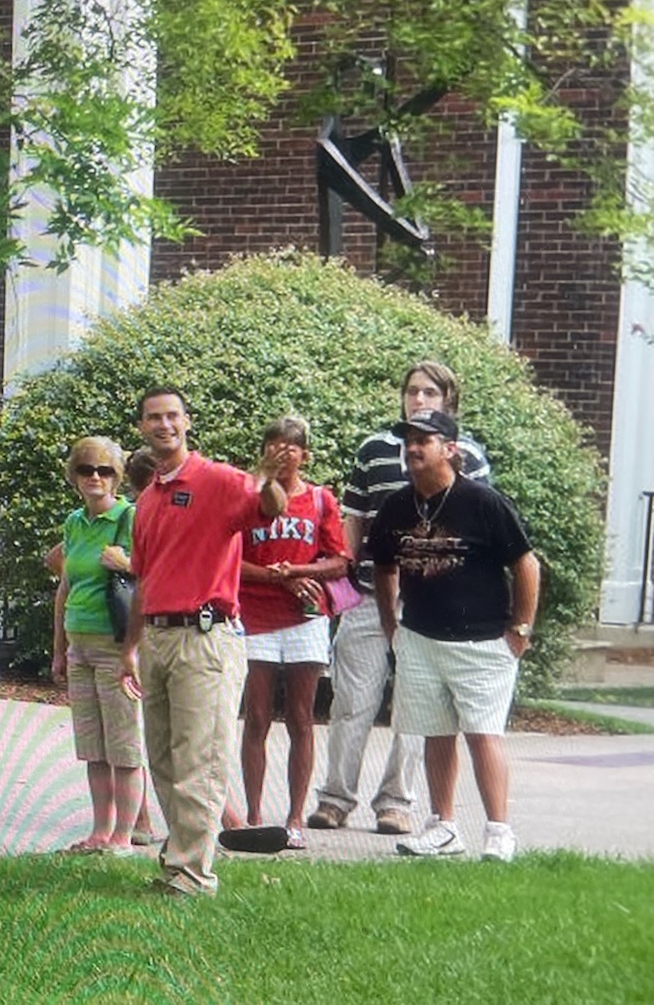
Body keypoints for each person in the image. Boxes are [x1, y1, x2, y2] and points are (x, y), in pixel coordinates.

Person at [308, 360, 492, 836]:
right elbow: (354, 518)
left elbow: (477, 524)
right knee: (353, 700)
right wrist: (342, 574)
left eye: (430, 392)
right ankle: (334, 798)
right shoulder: (375, 450)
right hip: (370, 594)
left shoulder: (468, 454)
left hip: (430, 602)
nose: (419, 399)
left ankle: (395, 802)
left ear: (448, 399)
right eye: (412, 391)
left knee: (414, 708)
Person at [126, 387, 289, 898]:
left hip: (205, 638)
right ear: (141, 428)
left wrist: (267, 477)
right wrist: (130, 647)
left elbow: (268, 508)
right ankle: (178, 864)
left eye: (172, 415)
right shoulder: (148, 498)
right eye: (154, 417)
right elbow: (143, 579)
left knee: (199, 759)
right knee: (166, 760)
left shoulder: (218, 479)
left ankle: (194, 876)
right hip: (157, 638)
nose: (164, 425)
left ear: (187, 421)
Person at [368, 410, 539, 862]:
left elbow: (526, 563)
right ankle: (443, 827)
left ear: (451, 449)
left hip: (482, 642)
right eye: (408, 440)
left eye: (425, 439)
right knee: (435, 734)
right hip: (421, 639)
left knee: (484, 734)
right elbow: (383, 567)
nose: (413, 447)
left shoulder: (482, 502)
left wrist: (519, 629)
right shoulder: (396, 507)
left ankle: (499, 831)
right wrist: (392, 626)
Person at [236, 418, 350, 851]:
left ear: (305, 454)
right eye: (275, 446)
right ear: (265, 450)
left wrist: (300, 572)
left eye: (292, 447)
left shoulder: (320, 500)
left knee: (302, 718)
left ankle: (296, 817)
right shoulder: (249, 498)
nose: (284, 454)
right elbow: (229, 560)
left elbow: (340, 560)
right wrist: (276, 577)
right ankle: (252, 815)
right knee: (258, 717)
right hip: (256, 617)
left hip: (306, 618)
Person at [51, 438, 141, 855]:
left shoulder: (130, 517)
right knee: (92, 746)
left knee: (122, 743)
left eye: (105, 470)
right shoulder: (74, 523)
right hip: (79, 643)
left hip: (115, 643)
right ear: (74, 476)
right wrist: (58, 648)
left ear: (118, 476)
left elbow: (157, 572)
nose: (95, 478)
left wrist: (125, 563)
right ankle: (99, 832)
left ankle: (124, 834)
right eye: (86, 469)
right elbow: (65, 586)